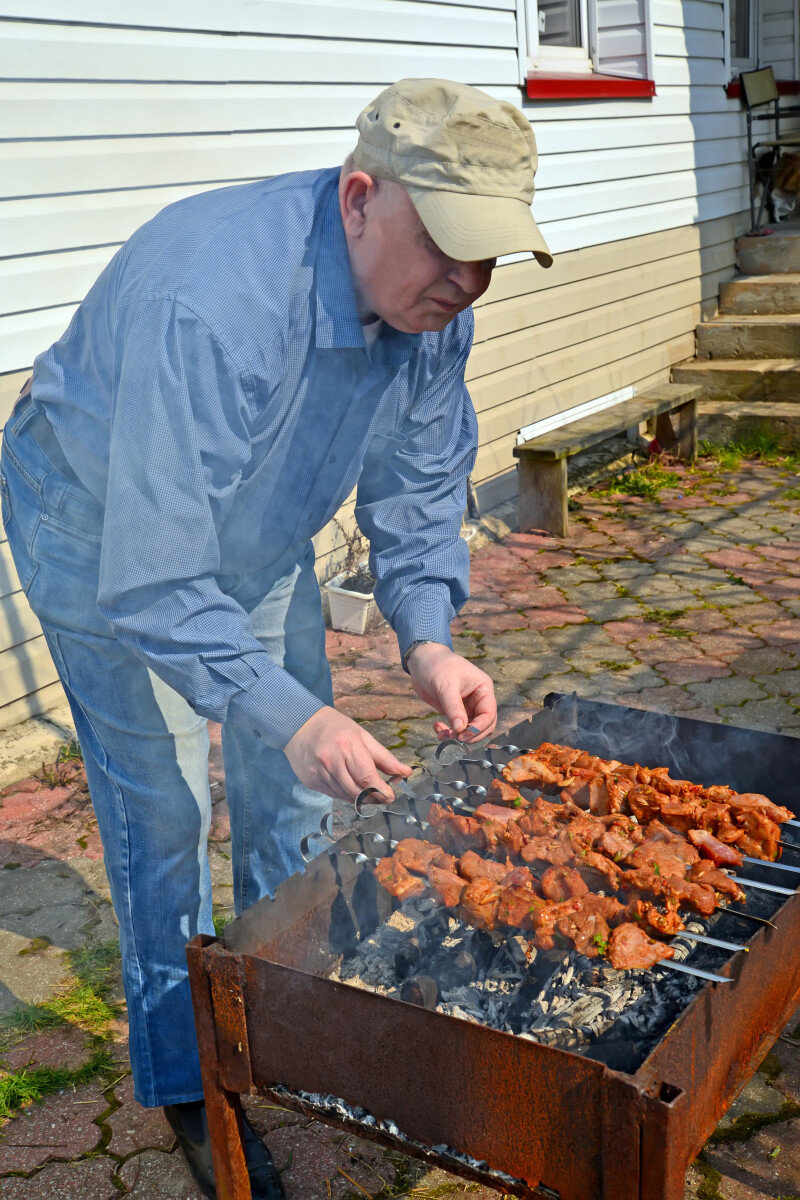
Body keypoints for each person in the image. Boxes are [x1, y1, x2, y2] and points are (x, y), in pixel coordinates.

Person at [0, 78, 551, 1198]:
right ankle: (189, 1081)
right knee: (165, 807)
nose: (467, 280)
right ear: (360, 198)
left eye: (490, 254)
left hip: (251, 531)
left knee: (291, 787)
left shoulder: (434, 309)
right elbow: (153, 580)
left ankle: (281, 1019)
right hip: (99, 532)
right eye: (449, 246)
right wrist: (293, 713)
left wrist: (427, 642)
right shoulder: (210, 303)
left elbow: (414, 487)